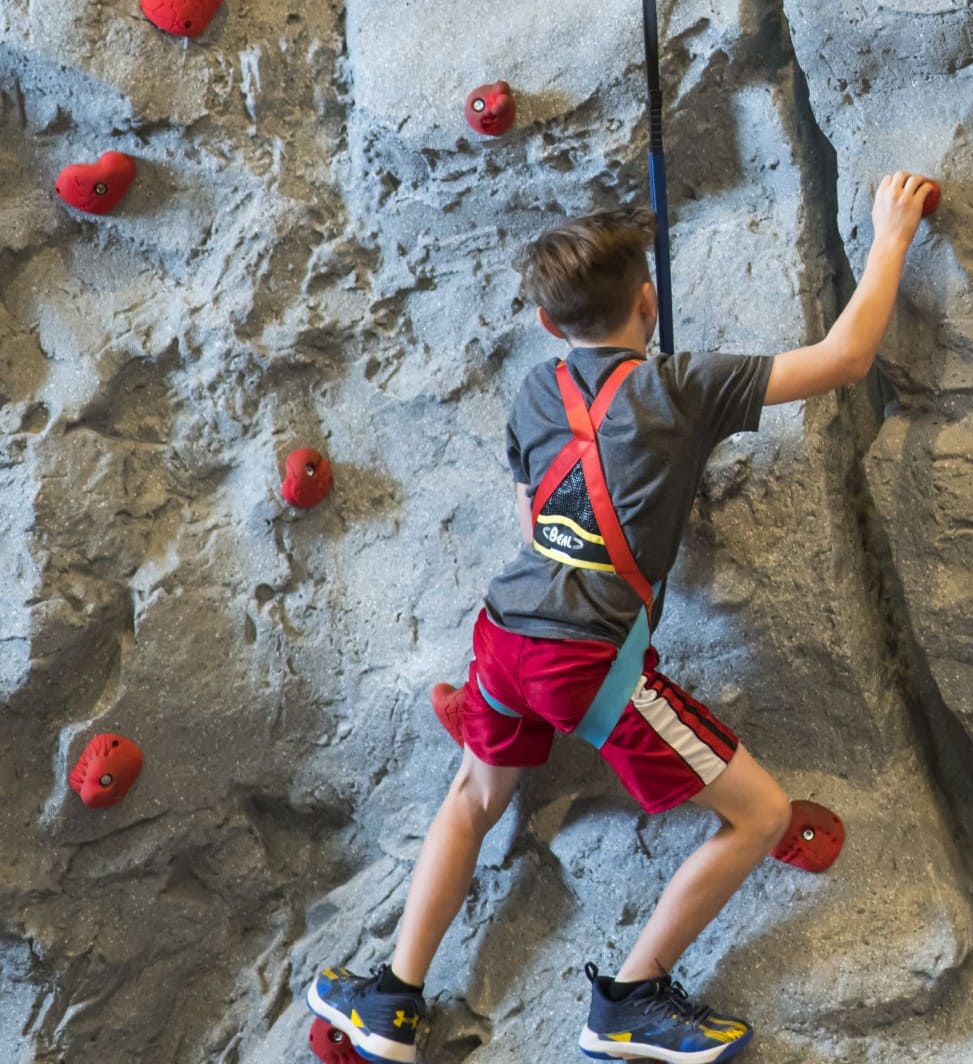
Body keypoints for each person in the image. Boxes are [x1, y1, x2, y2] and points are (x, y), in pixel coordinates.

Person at [306, 178, 936, 1064]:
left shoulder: (534, 391)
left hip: (503, 634)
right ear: (649, 302)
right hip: (585, 660)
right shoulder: (685, 388)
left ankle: (393, 999)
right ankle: (630, 1000)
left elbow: (539, 521)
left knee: (474, 796)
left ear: (547, 324)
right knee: (758, 815)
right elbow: (843, 358)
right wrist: (892, 234)